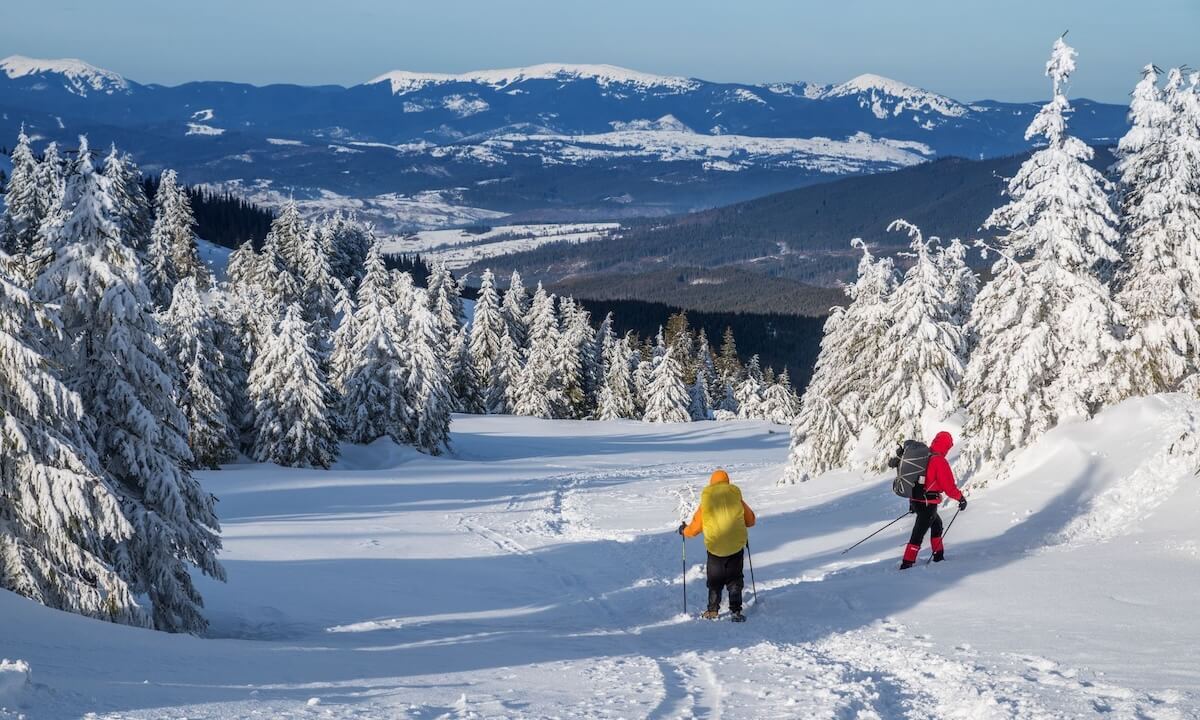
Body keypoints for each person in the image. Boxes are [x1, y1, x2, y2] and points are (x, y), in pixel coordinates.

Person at [678, 469, 756, 621]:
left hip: (715, 548)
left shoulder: (707, 500)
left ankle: (712, 610)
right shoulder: (736, 496)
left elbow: (695, 528)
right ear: (727, 481)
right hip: (736, 547)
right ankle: (736, 611)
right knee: (735, 579)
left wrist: (684, 531)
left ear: (712, 482)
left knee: (715, 580)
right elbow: (751, 520)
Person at [900, 431, 966, 569]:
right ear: (946, 446)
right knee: (918, 533)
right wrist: (960, 498)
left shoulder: (924, 456)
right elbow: (948, 486)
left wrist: (912, 502)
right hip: (927, 503)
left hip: (917, 500)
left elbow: (914, 481)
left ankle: (938, 556)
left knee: (936, 525)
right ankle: (907, 563)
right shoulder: (939, 461)